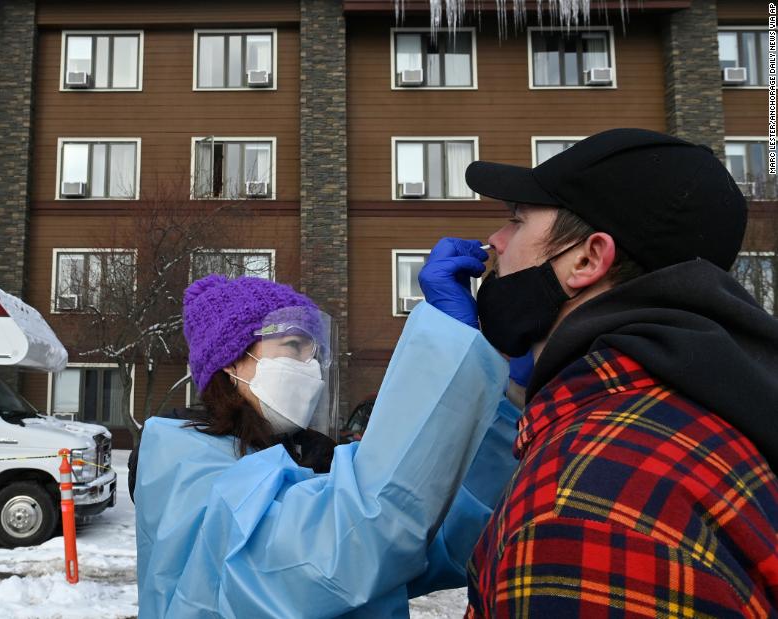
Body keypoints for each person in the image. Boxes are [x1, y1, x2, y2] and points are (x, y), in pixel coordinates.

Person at [460, 128, 778, 617]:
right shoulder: (707, 405)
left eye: (516, 221)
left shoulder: (581, 503)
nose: (495, 241)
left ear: (587, 258)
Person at [134, 270, 523, 618]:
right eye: (293, 347)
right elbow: (336, 556)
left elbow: (427, 543)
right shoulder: (186, 463)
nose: (312, 366)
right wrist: (446, 353)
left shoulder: (301, 458)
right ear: (232, 363)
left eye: (317, 352)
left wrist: (498, 408)